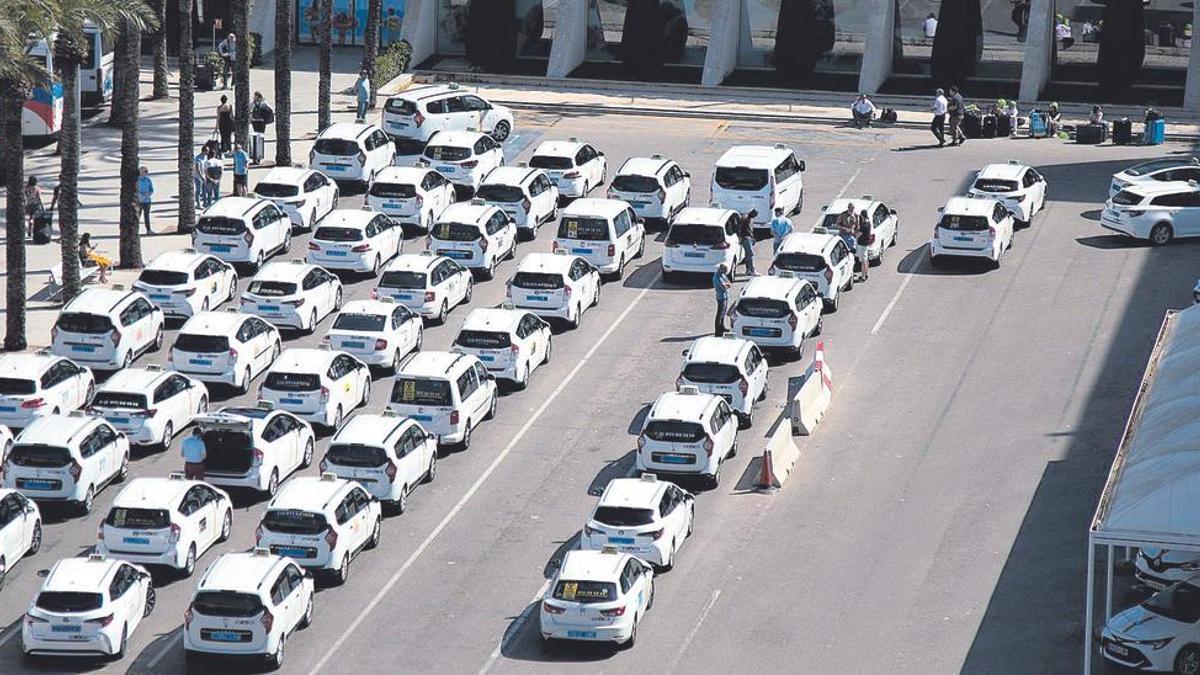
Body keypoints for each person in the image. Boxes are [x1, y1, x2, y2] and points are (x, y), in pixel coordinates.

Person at [250, 92, 274, 165]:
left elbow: (249, 110)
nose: (254, 97)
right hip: (260, 121)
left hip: (257, 121)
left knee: (258, 137)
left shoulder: (255, 103)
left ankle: (258, 155)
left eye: (255, 96)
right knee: (259, 137)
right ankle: (258, 155)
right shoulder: (263, 102)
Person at [712, 264, 732, 337]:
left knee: (723, 313)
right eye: (725, 270)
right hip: (721, 297)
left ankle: (722, 327)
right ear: (721, 269)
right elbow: (723, 287)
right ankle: (717, 330)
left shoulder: (723, 275)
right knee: (719, 314)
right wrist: (727, 285)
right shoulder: (717, 277)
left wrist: (727, 284)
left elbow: (729, 283)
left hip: (725, 296)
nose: (726, 272)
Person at [737, 209, 758, 277]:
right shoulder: (745, 219)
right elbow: (740, 229)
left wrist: (753, 238)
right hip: (746, 238)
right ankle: (752, 270)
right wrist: (741, 237)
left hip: (749, 238)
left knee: (748, 255)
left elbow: (750, 230)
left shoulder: (749, 219)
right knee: (750, 254)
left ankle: (748, 270)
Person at [136, 166, 154, 234]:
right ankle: (136, 230)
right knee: (138, 216)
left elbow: (152, 189)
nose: (145, 173)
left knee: (147, 216)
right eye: (143, 171)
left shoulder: (148, 180)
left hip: (147, 201)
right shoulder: (137, 180)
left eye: (146, 172)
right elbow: (135, 190)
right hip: (139, 201)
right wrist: (140, 195)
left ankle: (148, 230)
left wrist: (148, 194)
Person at [855, 209, 872, 282]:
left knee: (863, 261)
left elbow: (858, 235)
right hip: (866, 244)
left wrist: (854, 235)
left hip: (862, 245)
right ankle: (866, 273)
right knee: (866, 259)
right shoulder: (868, 224)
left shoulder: (864, 226)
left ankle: (863, 276)